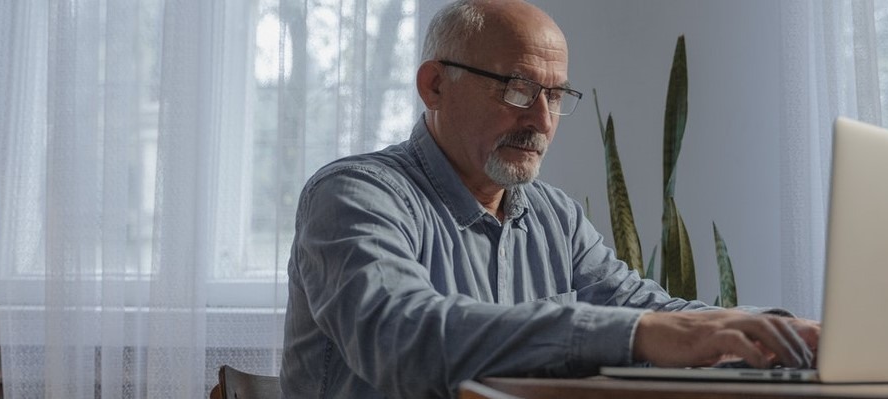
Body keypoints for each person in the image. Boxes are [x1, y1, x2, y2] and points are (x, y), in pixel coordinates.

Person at [281, 1, 819, 398]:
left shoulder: (554, 216)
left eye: (555, 95)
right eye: (516, 88)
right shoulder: (354, 194)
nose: (541, 120)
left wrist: (778, 335)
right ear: (434, 86)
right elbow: (404, 338)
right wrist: (641, 335)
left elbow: (648, 312)